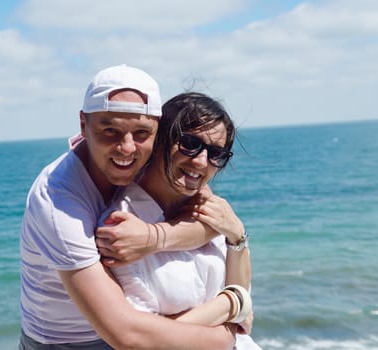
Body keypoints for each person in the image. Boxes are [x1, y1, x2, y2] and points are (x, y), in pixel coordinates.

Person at [19, 64, 245, 349]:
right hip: (70, 342)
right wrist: (226, 336)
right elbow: (126, 335)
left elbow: (206, 216)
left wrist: (152, 238)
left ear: (158, 134)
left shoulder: (151, 156)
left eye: (141, 132)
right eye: (110, 130)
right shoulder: (57, 200)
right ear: (83, 125)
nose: (126, 148)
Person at [99, 92, 261, 349]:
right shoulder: (122, 225)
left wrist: (237, 236)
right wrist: (232, 304)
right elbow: (146, 339)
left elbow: (244, 295)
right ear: (160, 140)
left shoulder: (212, 212)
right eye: (189, 143)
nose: (201, 161)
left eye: (216, 154)